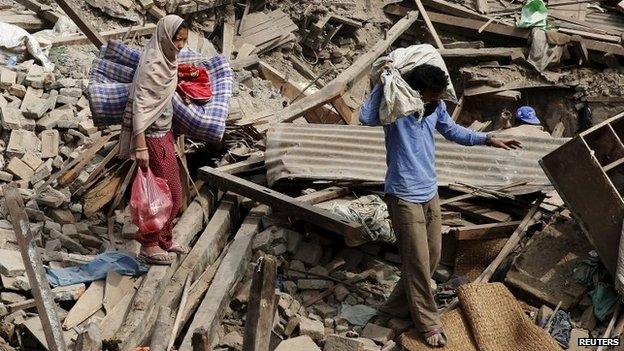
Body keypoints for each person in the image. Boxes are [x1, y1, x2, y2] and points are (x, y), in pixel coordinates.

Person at [360, 64, 521, 347]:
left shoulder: (435, 109)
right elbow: (365, 117)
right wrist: (384, 83)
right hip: (403, 195)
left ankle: (393, 309)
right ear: (418, 91)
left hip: (429, 192)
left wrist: (488, 138)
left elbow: (453, 131)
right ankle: (428, 323)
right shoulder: (396, 108)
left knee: (431, 256)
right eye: (433, 95)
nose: (437, 100)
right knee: (418, 262)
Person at [119, 14, 189, 265]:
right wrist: (140, 147)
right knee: (161, 195)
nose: (180, 46)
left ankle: (164, 240)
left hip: (164, 134)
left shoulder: (167, 60)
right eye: (176, 40)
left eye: (183, 41)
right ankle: (149, 246)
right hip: (151, 139)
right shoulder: (152, 65)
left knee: (172, 192)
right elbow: (141, 105)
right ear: (165, 37)